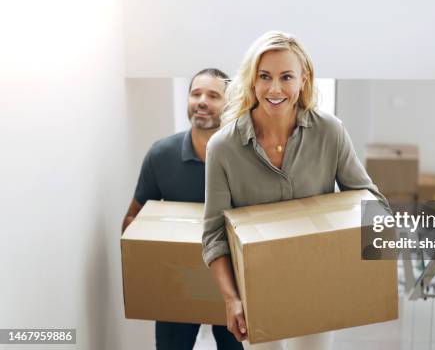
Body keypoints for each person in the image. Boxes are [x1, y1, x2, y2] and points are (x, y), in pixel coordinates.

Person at [202, 31, 389, 349]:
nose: (274, 89)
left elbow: (371, 202)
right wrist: (231, 300)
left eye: (286, 77)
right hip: (256, 293)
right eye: (265, 77)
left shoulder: (330, 132)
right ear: (252, 81)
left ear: (304, 79)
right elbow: (214, 235)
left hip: (318, 286)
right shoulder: (223, 147)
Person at [122, 68, 244, 350]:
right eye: (195, 93)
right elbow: (132, 217)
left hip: (234, 290)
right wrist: (140, 265)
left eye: (213, 95)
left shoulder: (244, 158)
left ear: (230, 104)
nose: (201, 101)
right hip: (176, 287)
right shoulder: (161, 155)